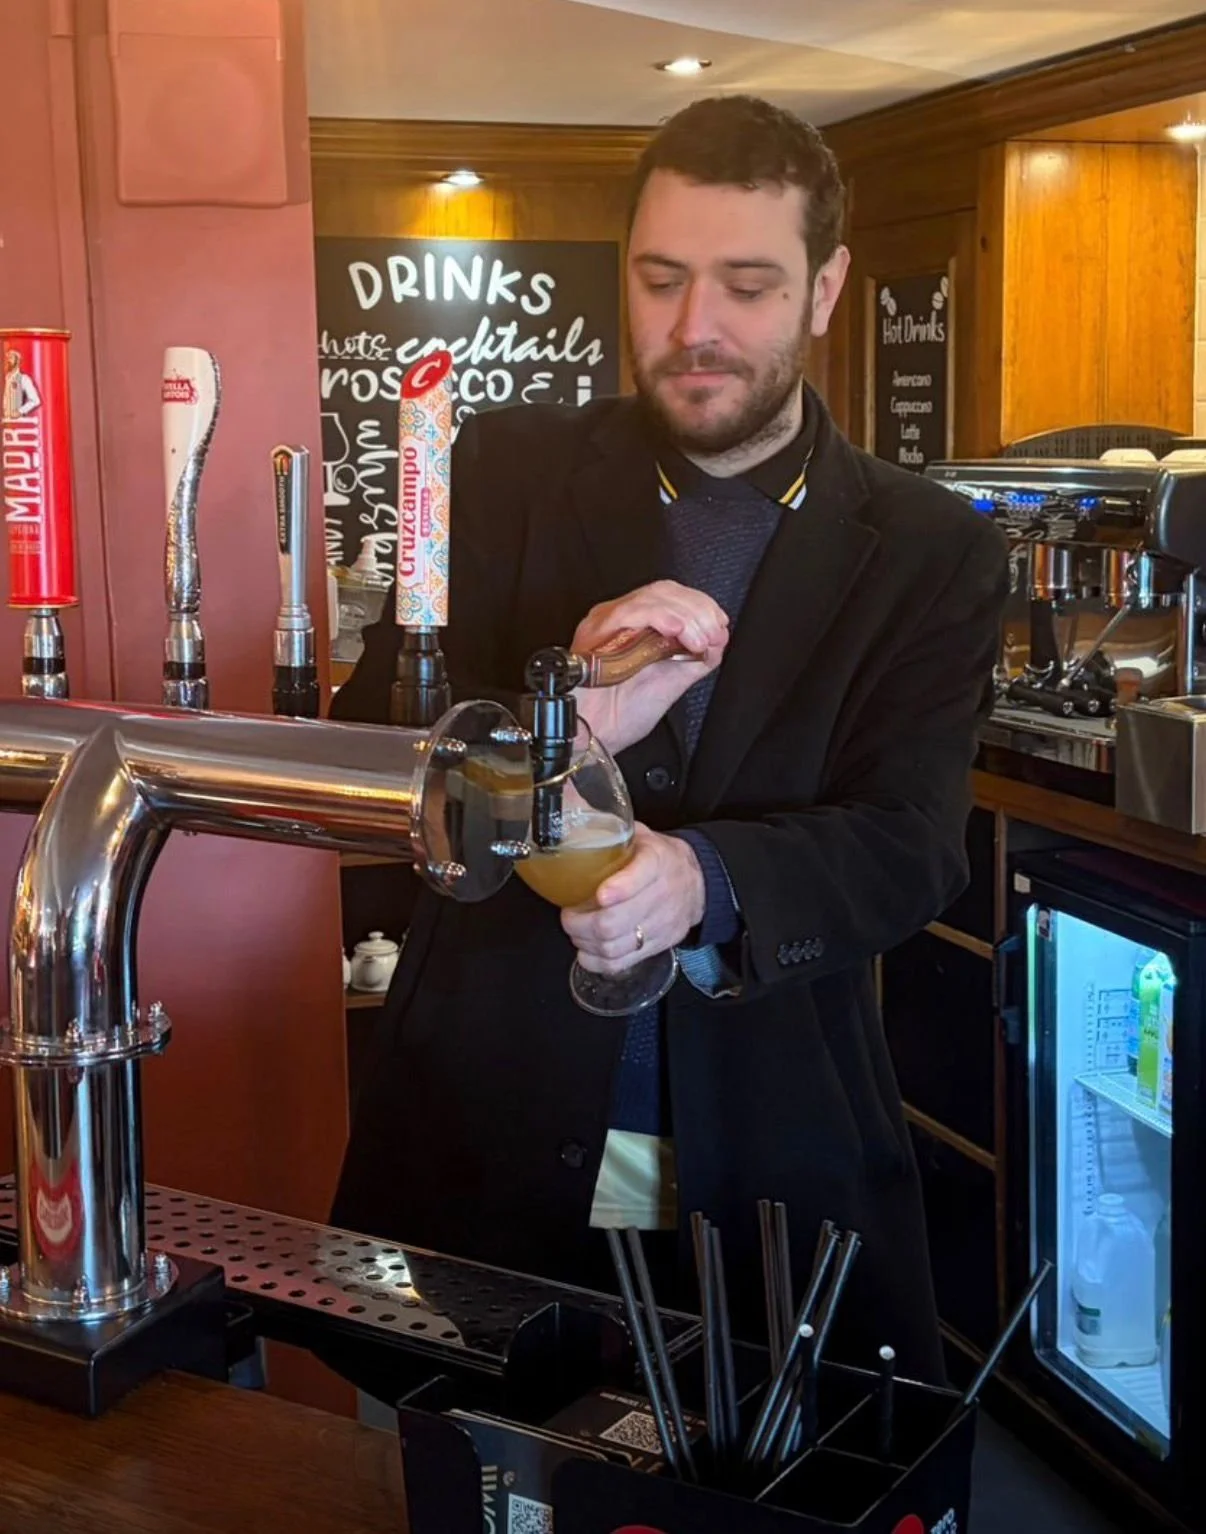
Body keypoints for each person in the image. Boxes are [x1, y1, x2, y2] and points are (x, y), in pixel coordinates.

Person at [328, 94, 1008, 1388]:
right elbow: (383, 754)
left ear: (825, 289)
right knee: (473, 1467)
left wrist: (705, 878)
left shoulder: (930, 548)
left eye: (747, 284)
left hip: (766, 1135)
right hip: (493, 1113)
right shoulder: (508, 471)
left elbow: (911, 844)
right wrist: (560, 711)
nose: (694, 327)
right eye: (659, 279)